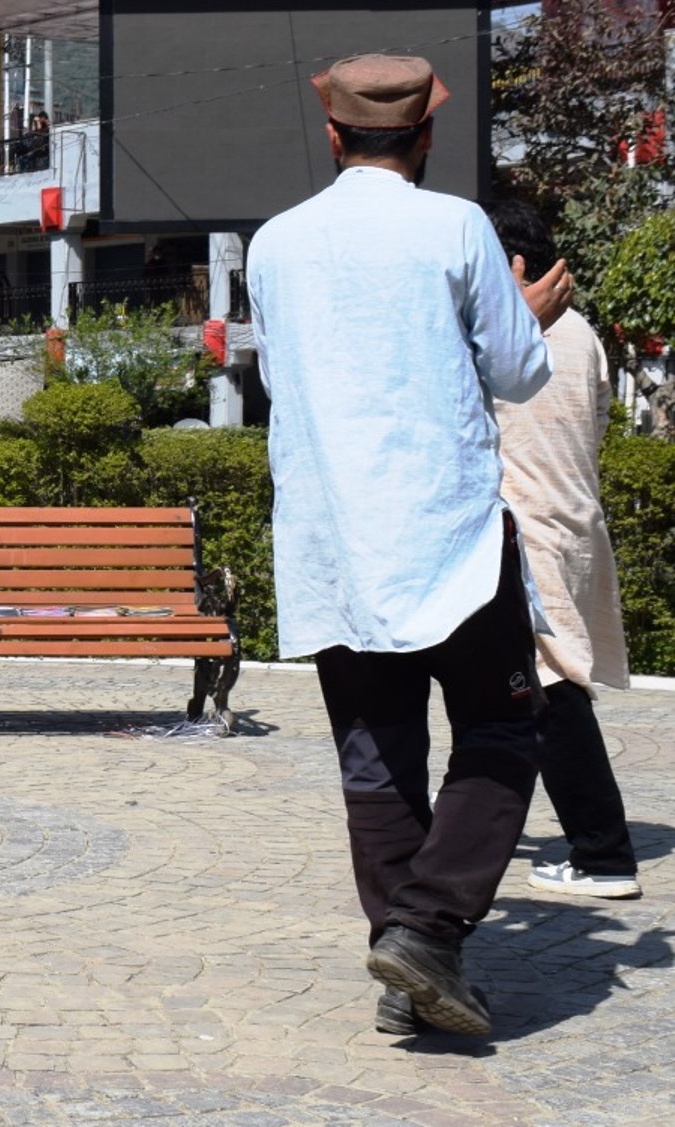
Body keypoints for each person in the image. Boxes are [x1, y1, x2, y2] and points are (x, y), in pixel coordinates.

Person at [247, 56, 575, 1038]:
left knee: (375, 750)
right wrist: (531, 319)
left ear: (333, 135)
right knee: (499, 729)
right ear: (423, 137)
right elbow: (515, 374)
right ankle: (427, 927)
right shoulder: (455, 227)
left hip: (328, 537)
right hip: (446, 532)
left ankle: (407, 954)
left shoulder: (274, 243)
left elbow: (278, 373)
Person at [485, 199, 640, 901]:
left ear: (514, 265)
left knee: (551, 688)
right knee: (525, 691)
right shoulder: (582, 334)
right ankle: (486, 824)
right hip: (577, 523)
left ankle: (603, 852)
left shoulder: (509, 334)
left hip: (531, 526)